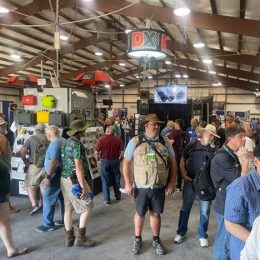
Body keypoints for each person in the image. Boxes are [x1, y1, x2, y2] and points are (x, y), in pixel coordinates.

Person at [123, 113, 177, 255]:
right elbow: (126, 162)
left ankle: (156, 239)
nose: (158, 126)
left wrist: (172, 183)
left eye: (158, 124)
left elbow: (173, 162)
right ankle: (137, 239)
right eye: (155, 124)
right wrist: (128, 183)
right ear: (146, 125)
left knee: (155, 213)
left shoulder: (165, 142)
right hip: (141, 186)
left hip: (159, 186)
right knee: (140, 213)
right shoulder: (135, 141)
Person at [174, 124, 219, 247]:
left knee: (205, 211)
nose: (211, 138)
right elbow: (183, 158)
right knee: (185, 208)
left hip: (205, 184)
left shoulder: (215, 149)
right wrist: (183, 174)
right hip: (190, 180)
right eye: (210, 135)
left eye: (213, 136)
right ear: (204, 133)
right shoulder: (193, 145)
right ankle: (181, 232)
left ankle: (202, 235)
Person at [210, 125, 249, 260]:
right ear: (229, 139)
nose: (244, 139)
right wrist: (245, 160)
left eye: (244, 136)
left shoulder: (231, 153)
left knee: (229, 239)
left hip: (230, 202)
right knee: (224, 240)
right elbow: (241, 182)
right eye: (240, 137)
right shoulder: (222, 158)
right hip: (224, 204)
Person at [60, 119, 96, 247]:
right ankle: (81, 237)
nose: (86, 130)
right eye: (84, 129)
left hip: (64, 179)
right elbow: (78, 166)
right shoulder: (77, 145)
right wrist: (83, 187)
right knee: (87, 206)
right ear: (80, 131)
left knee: (68, 208)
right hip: (74, 180)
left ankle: (69, 238)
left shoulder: (66, 142)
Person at [224, 144, 260, 260]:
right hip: (247, 250)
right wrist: (256, 242)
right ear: (256, 161)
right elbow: (230, 224)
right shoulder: (240, 187)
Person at [0, 118, 28, 258]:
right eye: (3, 124)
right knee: (4, 222)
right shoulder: (1, 138)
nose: (5, 126)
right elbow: (4, 165)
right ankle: (11, 249)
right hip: (1, 188)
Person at [35, 125, 65, 232]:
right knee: (62, 198)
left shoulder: (54, 144)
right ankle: (64, 219)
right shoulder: (63, 140)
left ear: (48, 135)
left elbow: (53, 161)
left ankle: (48, 224)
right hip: (63, 173)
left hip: (54, 174)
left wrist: (48, 177)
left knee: (48, 198)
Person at [19, 123, 48, 215]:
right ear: (44, 130)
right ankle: (42, 204)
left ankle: (34, 205)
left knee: (29, 185)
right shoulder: (49, 138)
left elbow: (22, 151)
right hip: (47, 166)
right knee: (43, 186)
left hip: (34, 166)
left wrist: (25, 161)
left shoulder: (31, 139)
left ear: (36, 130)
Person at [94, 125, 124, 205]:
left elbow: (96, 152)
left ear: (107, 130)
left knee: (105, 181)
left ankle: (107, 200)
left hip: (105, 161)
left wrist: (97, 160)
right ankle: (118, 196)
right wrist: (119, 160)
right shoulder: (118, 140)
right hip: (115, 161)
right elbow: (122, 153)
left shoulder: (101, 140)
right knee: (116, 179)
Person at [169, 119, 187, 192]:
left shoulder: (174, 132)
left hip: (175, 153)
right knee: (180, 170)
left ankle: (170, 185)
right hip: (182, 153)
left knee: (172, 168)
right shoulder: (184, 132)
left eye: (175, 123)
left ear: (178, 124)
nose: (174, 125)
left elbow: (171, 143)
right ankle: (179, 186)